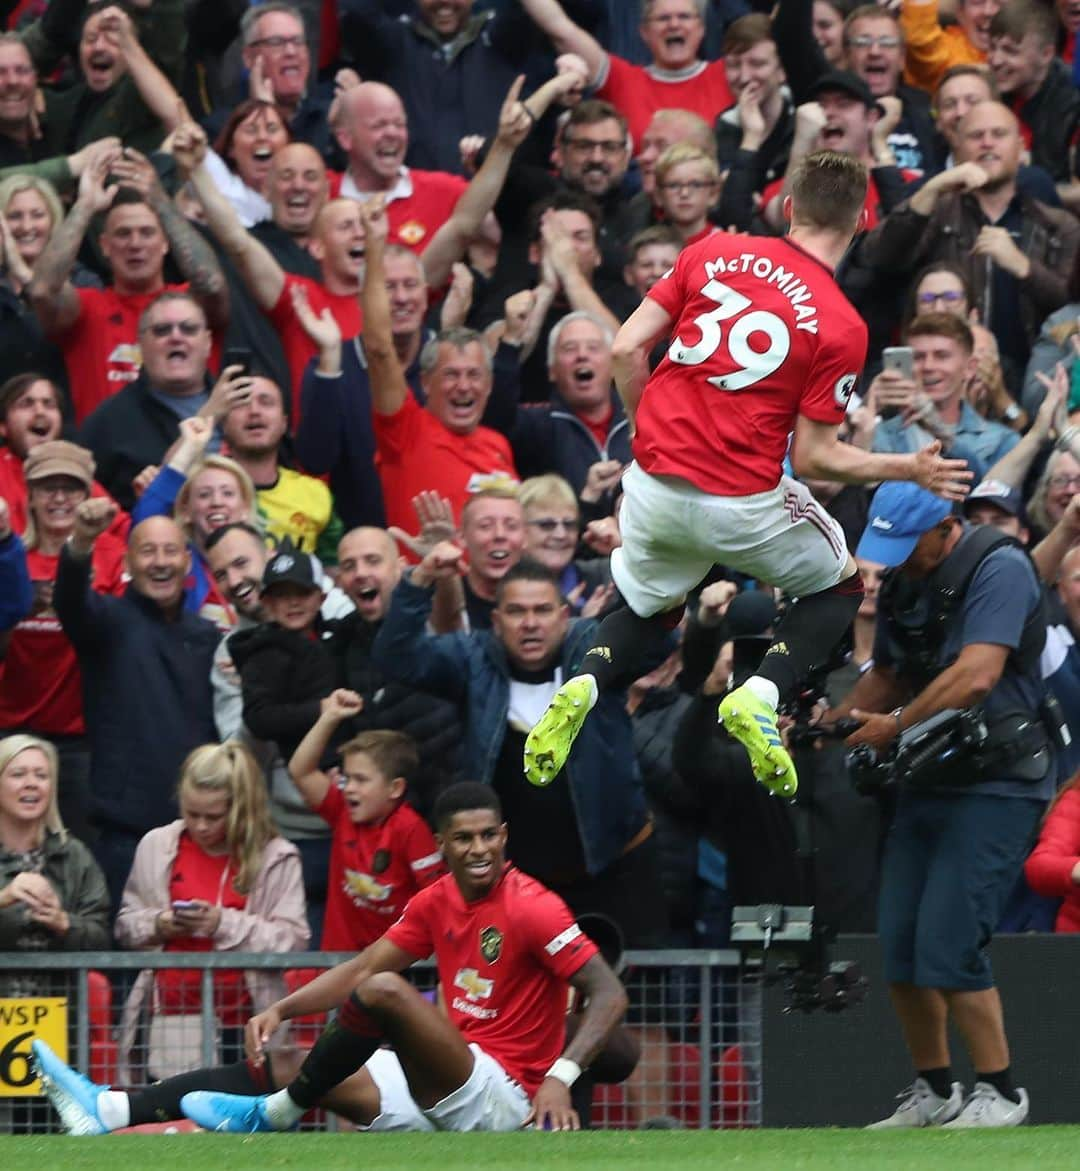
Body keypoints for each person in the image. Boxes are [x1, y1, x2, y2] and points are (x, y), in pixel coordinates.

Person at [523, 150, 971, 798]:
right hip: (742, 501)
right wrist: (905, 465)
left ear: (788, 206)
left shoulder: (710, 251)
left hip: (652, 484)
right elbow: (816, 458)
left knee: (651, 602)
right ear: (863, 221)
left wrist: (647, 427)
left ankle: (583, 682)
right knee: (840, 588)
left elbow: (623, 347)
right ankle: (760, 694)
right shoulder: (841, 323)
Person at [33, 782, 630, 1135]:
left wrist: (559, 1079)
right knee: (292, 1057)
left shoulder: (532, 906)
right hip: (453, 1075)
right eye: (464, 839)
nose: (479, 850)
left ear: (503, 835)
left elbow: (608, 993)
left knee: (388, 994)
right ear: (442, 844)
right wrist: (285, 1009)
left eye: (489, 836)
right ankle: (107, 1110)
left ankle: (282, 1114)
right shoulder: (437, 899)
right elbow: (363, 964)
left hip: (505, 1097)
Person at [829, 481, 1053, 1127]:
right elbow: (892, 670)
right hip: (929, 775)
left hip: (999, 779)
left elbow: (978, 672)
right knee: (900, 940)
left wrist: (893, 723)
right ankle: (934, 1089)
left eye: (909, 543)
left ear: (945, 526)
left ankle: (1001, 1091)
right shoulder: (905, 581)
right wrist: (836, 719)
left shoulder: (1000, 566)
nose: (895, 559)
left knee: (951, 940)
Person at [54, 499, 218, 909]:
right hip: (125, 832)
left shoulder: (209, 636)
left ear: (187, 561)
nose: (160, 562)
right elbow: (70, 602)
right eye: (147, 551)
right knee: (126, 957)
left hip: (201, 829)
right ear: (128, 561)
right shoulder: (106, 621)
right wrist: (82, 543)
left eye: (170, 551)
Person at [114, 741, 309, 1080]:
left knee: (250, 1128)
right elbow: (125, 926)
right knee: (174, 1124)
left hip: (249, 1021)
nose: (201, 826)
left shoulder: (277, 855)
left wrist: (222, 923)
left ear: (241, 809)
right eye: (191, 814)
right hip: (171, 1019)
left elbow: (292, 941)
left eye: (213, 817)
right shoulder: (157, 845)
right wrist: (161, 924)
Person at [857, 101, 1080, 380]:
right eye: (976, 136)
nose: (987, 143)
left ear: (1021, 147)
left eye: (998, 134)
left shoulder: (1059, 226)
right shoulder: (935, 210)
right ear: (957, 149)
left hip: (1032, 379)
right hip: (937, 376)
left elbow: (1072, 310)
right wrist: (931, 189)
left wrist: (1024, 267)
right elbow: (878, 257)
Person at [28, 149, 228, 424]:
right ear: (105, 246)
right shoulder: (87, 308)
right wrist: (85, 206)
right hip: (110, 457)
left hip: (191, 451)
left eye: (147, 233)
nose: (135, 244)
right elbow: (41, 289)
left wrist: (161, 202)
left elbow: (212, 282)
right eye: (123, 234)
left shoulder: (188, 307)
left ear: (166, 242)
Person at [0, 442, 126, 841]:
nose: (58, 498)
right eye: (46, 487)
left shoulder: (113, 556)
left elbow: (117, 638)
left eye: (70, 488)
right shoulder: (8, 557)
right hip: (9, 732)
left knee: (77, 852)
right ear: (30, 496)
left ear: (87, 496)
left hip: (80, 739)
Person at [288, 698, 444, 949]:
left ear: (395, 788)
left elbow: (440, 901)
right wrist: (329, 718)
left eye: (361, 780)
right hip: (337, 967)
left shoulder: (411, 830)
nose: (349, 788)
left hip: (393, 970)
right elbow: (300, 771)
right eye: (347, 778)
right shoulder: (342, 811)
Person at [518, 0, 733, 150]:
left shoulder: (729, 74)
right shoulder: (622, 79)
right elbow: (559, 28)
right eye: (663, 18)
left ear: (702, 28)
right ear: (644, 32)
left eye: (684, 17)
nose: (674, 25)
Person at [0, 734, 110, 989]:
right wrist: (4, 898)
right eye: (18, 774)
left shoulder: (74, 855)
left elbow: (102, 939)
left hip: (60, 1014)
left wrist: (64, 923)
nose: (31, 784)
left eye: (41, 775)